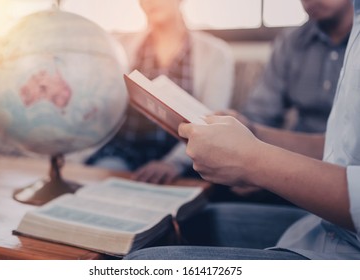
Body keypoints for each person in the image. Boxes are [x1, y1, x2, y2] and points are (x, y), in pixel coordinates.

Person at [124, 0, 360, 260]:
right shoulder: (295, 41)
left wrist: (256, 163)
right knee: (180, 222)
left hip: (346, 248)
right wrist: (252, 132)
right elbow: (340, 148)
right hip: (322, 226)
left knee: (141, 264)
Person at [216, 0, 353, 204]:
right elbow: (260, 113)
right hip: (290, 164)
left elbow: (346, 149)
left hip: (345, 178)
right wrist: (246, 138)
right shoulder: (291, 42)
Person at [84, 0, 234, 184]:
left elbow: (211, 119)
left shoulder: (215, 53)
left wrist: (174, 164)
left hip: (184, 158)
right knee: (104, 180)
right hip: (124, 151)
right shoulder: (121, 47)